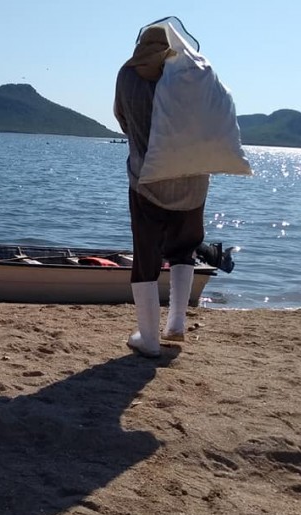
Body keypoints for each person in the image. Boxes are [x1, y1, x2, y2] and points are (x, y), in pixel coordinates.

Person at [113, 24, 211, 358]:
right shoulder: (190, 75)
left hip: (148, 180)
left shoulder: (127, 76)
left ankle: (149, 340)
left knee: (146, 257)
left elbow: (123, 121)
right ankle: (177, 324)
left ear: (141, 45)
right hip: (192, 181)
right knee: (184, 249)